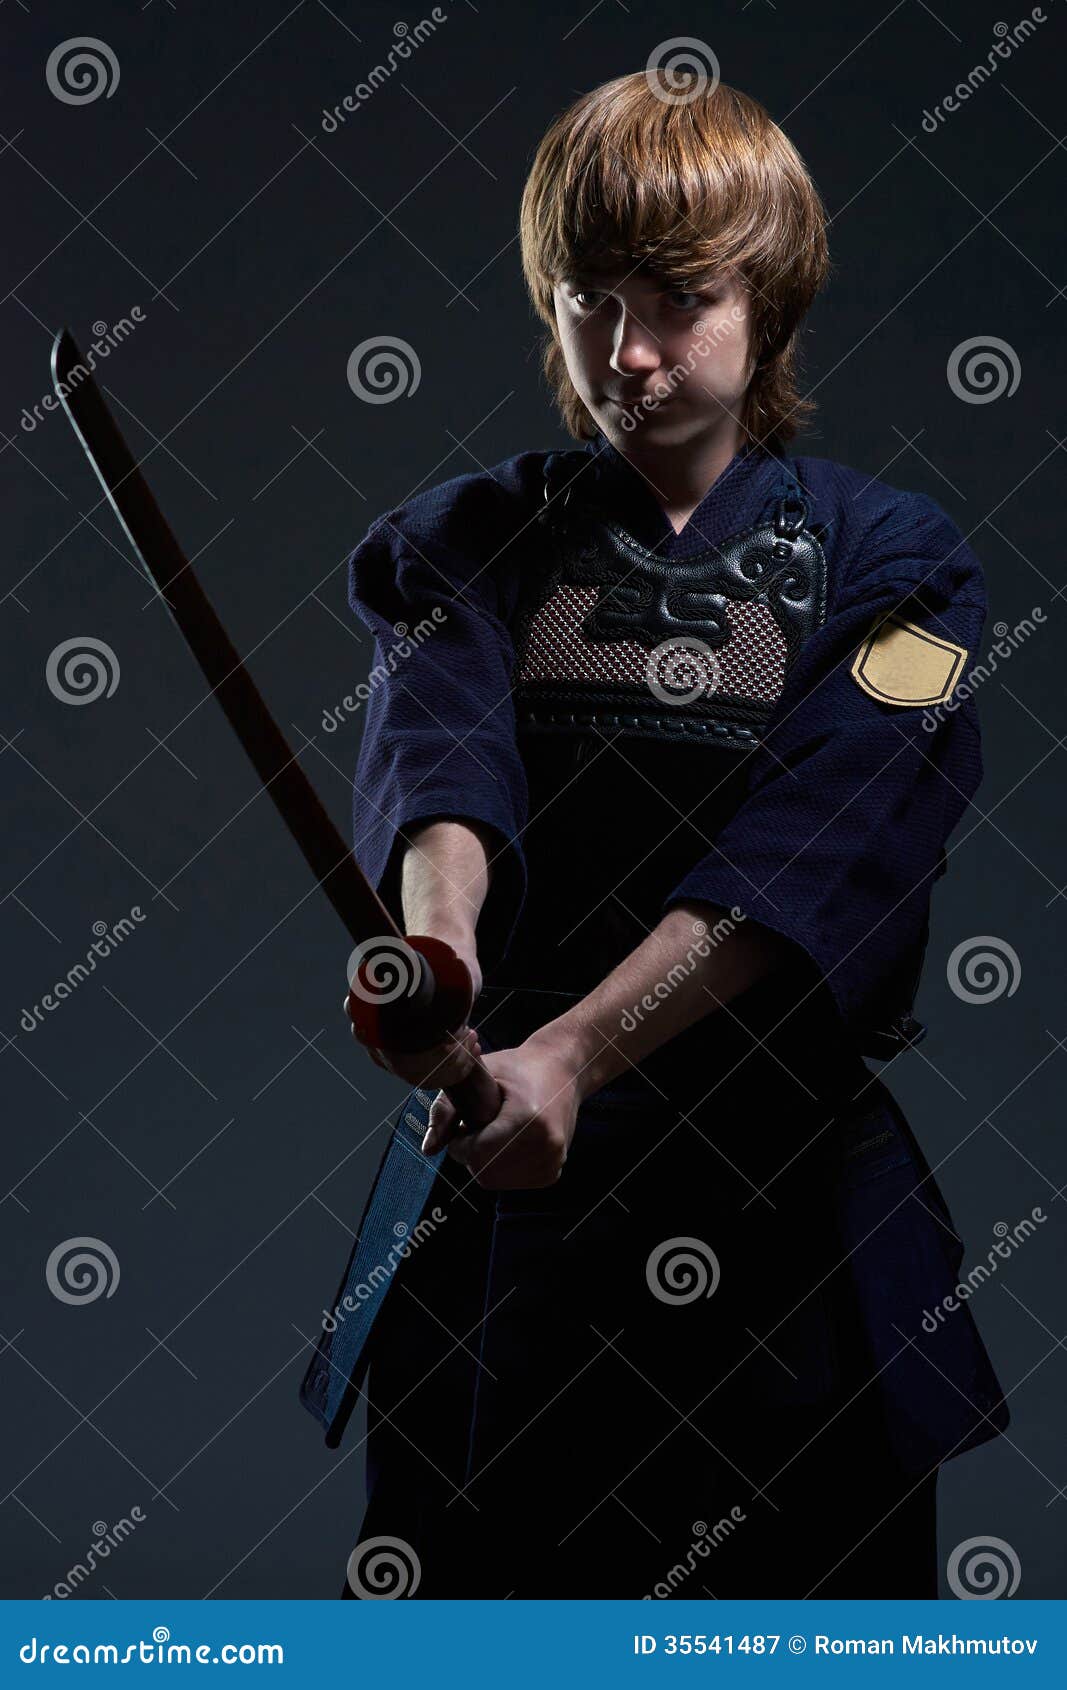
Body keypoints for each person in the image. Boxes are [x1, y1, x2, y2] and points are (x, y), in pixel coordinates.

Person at [300, 72, 1008, 1600]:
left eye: (678, 299)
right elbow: (441, 768)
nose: (626, 353)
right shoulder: (460, 543)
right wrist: (440, 960)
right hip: (502, 1220)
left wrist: (579, 1050)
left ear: (772, 296)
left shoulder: (905, 571)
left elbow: (825, 841)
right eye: (586, 301)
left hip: (791, 1252)